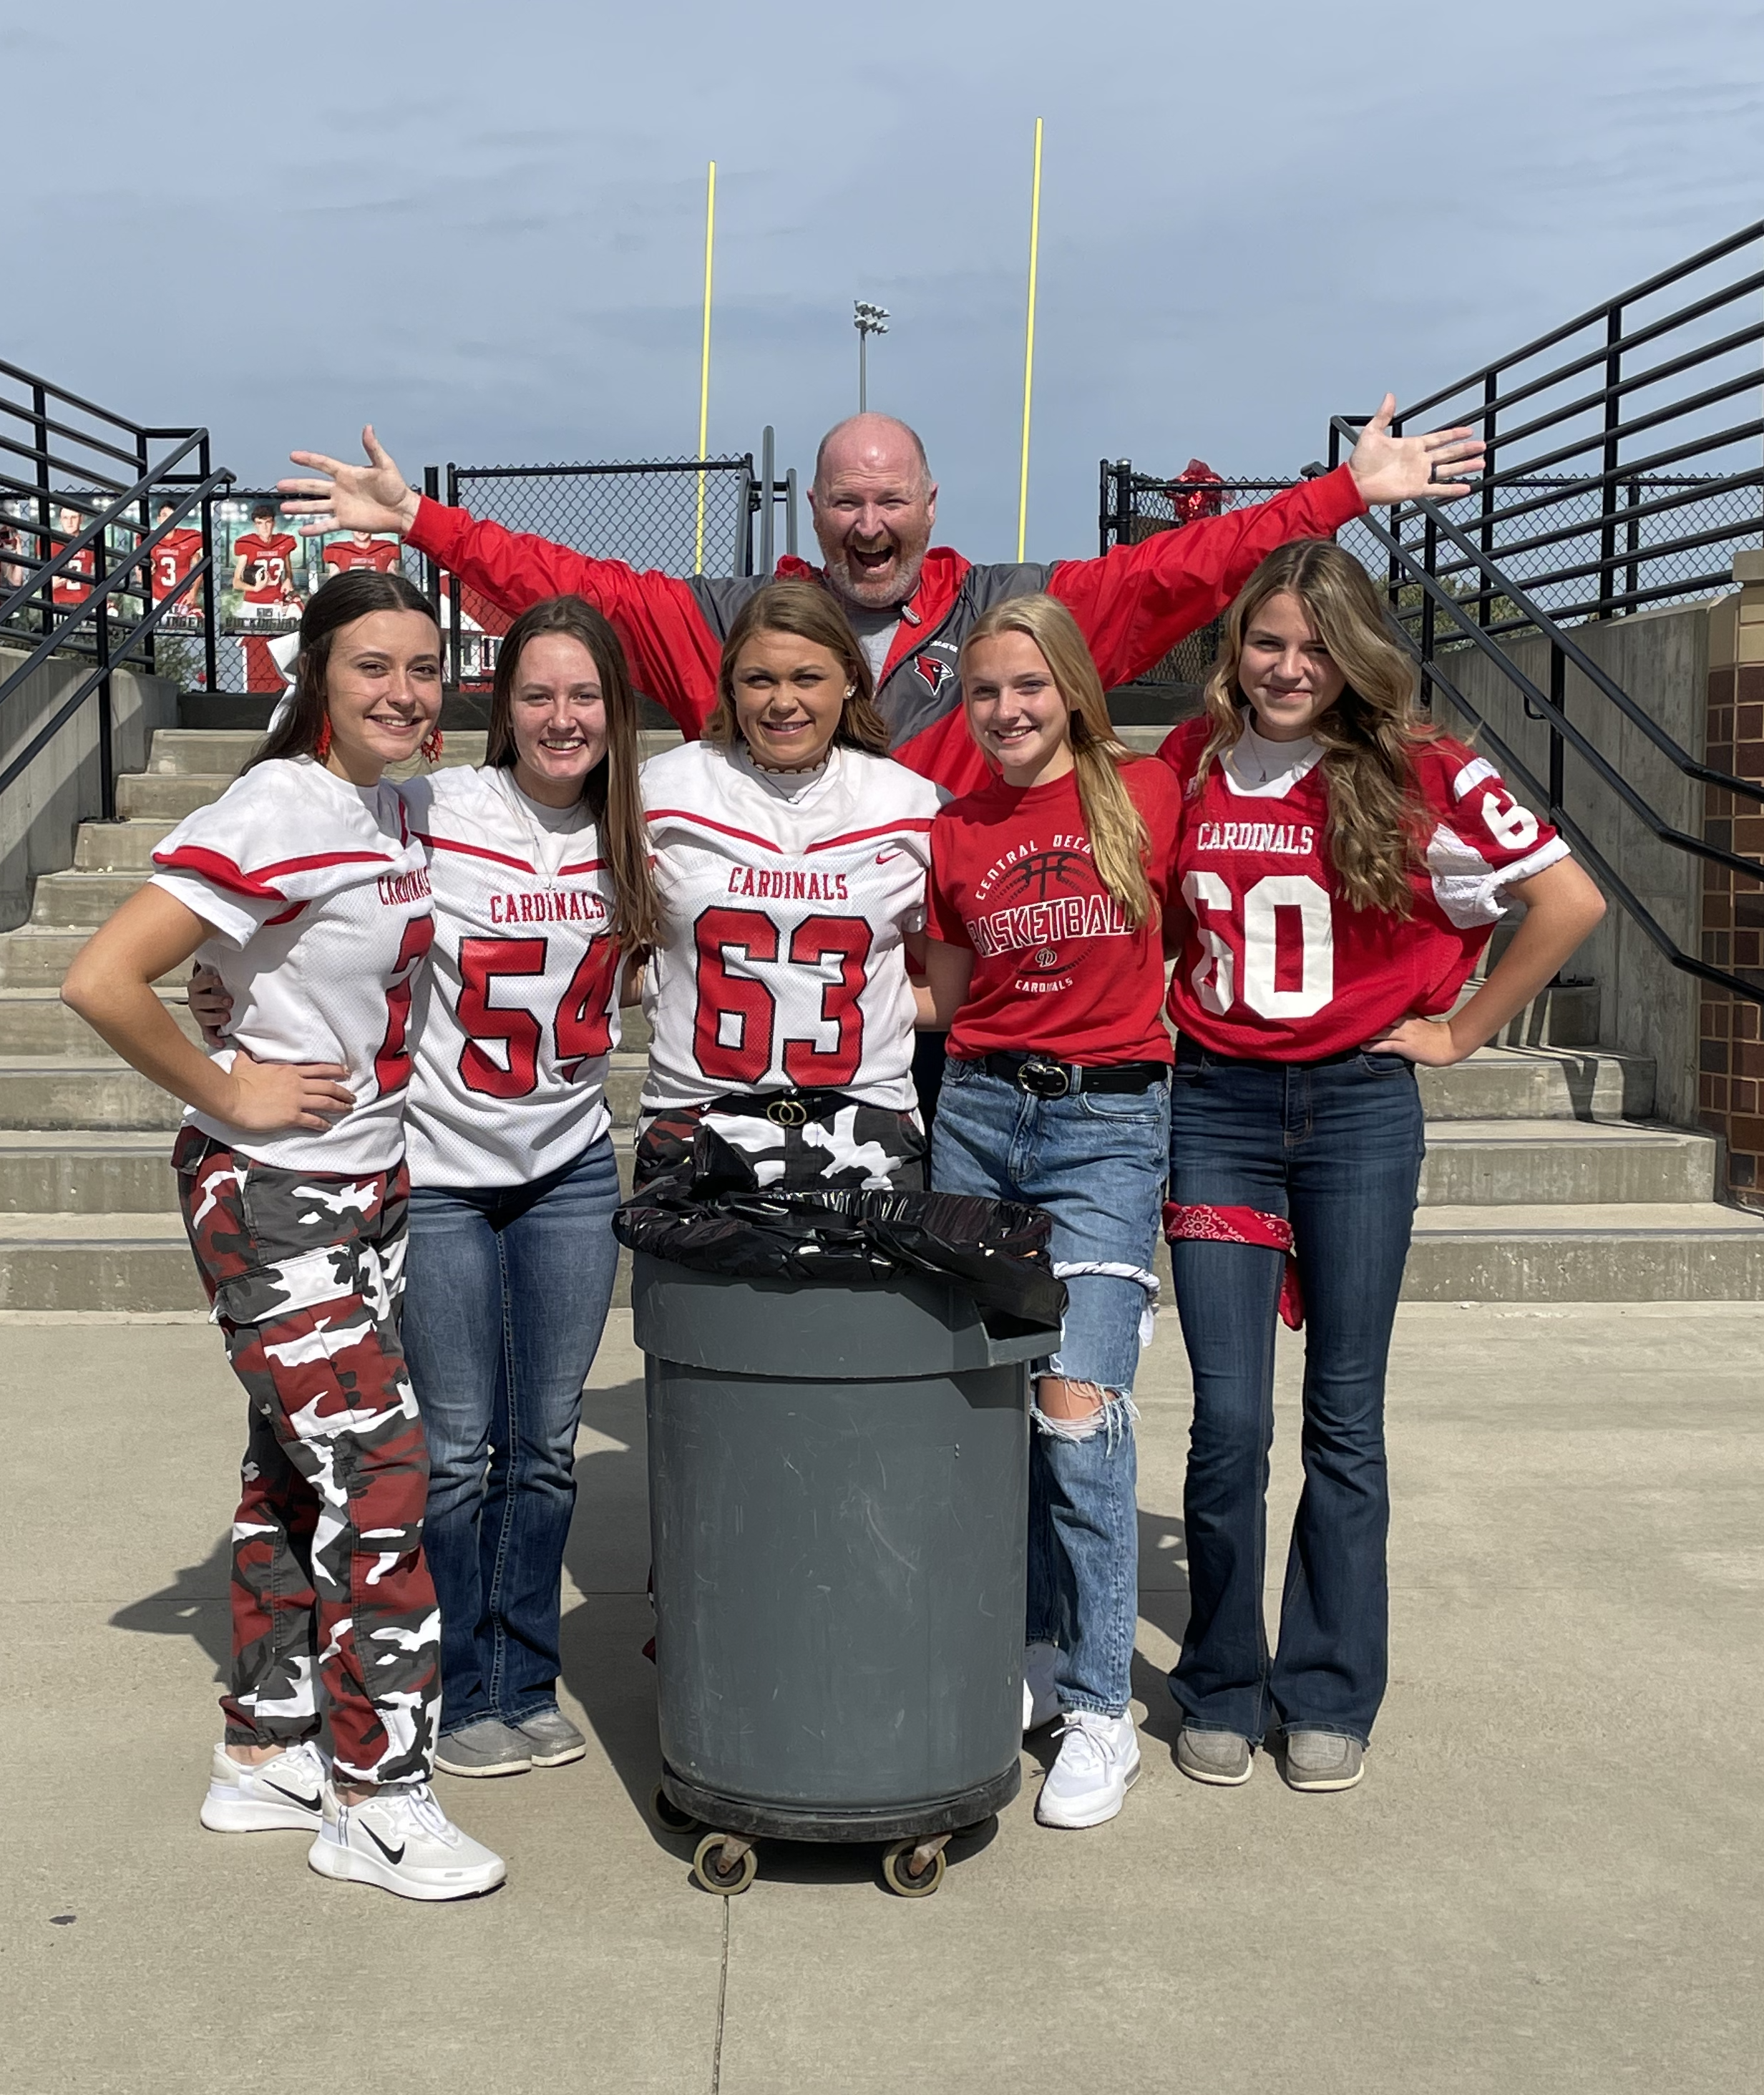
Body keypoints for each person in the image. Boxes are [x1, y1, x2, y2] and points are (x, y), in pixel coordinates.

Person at [61, 569, 507, 1904]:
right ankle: (377, 1799)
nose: (404, 692)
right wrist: (228, 1085)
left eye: (424, 668)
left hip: (363, 1186)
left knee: (293, 1473)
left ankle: (264, 1748)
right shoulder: (276, 808)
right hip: (275, 1194)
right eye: (373, 665)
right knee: (381, 1482)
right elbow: (102, 976)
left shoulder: (389, 808)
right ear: (313, 673)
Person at [1159, 540, 1605, 1794]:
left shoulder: (1422, 769)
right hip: (1220, 1111)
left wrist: (1458, 1031)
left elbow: (1566, 901)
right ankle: (1219, 1677)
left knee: (1340, 1413)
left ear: (1353, 652)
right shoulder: (1191, 765)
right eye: (1264, 641)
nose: (1286, 667)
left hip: (1357, 1108)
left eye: (1313, 645)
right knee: (1227, 1420)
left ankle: (1325, 1686)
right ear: (1232, 647)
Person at [281, 406, 1487, 800]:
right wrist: (422, 524)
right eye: (844, 502)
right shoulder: (738, 626)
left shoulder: (1023, 614)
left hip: (972, 985)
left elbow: (1186, 569)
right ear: (811, 507)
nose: (868, 525)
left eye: (889, 500)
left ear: (926, 500)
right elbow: (572, 592)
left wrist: (1333, 494)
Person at [920, 595, 1179, 1832]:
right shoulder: (955, 829)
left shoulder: (1149, 800)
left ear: (1071, 687)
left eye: (1027, 686)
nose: (1006, 711)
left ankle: (1095, 1705)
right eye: (983, 693)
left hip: (1105, 1130)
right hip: (978, 1117)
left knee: (1076, 1413)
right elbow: (950, 999)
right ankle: (1023, 1650)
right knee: (991, 1409)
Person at [393, 596, 663, 1777]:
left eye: (584, 695)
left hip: (563, 1170)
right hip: (442, 1171)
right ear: (499, 707)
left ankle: (524, 1673)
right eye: (538, 694)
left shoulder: (634, 826)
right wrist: (221, 979)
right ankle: (458, 1689)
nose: (563, 717)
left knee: (543, 1444)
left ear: (615, 708)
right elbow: (283, 866)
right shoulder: (439, 806)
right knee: (457, 1446)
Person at [633, 577, 940, 1189]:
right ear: (730, 686)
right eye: (759, 680)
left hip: (862, 1127)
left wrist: (877, 1011)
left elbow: (950, 970)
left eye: (807, 678)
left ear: (850, 678)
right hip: (698, 1123)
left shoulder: (912, 803)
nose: (782, 702)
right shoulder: (661, 789)